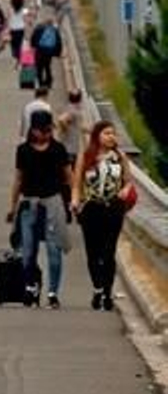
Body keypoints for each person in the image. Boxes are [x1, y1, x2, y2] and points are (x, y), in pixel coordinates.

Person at [9, 113, 72, 308]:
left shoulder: (58, 150)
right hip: (29, 203)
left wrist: (72, 202)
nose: (44, 134)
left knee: (54, 250)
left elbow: (68, 177)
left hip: (52, 202)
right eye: (40, 130)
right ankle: (30, 287)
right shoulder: (23, 150)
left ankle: (53, 292)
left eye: (47, 130)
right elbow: (18, 179)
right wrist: (12, 207)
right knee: (28, 250)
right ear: (32, 129)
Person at [74, 120, 133, 311]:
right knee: (93, 252)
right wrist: (75, 201)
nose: (111, 137)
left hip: (113, 208)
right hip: (92, 208)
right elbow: (76, 184)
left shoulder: (119, 156)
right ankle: (97, 287)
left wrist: (125, 190)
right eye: (107, 133)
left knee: (109, 252)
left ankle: (107, 292)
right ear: (97, 135)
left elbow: (128, 181)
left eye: (113, 133)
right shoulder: (87, 156)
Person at [30, 11, 63, 90]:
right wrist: (58, 53)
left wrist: (33, 46)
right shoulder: (54, 30)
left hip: (40, 50)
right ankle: (49, 82)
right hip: (49, 51)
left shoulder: (39, 27)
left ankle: (40, 83)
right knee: (47, 66)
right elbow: (58, 42)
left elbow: (33, 38)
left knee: (39, 67)